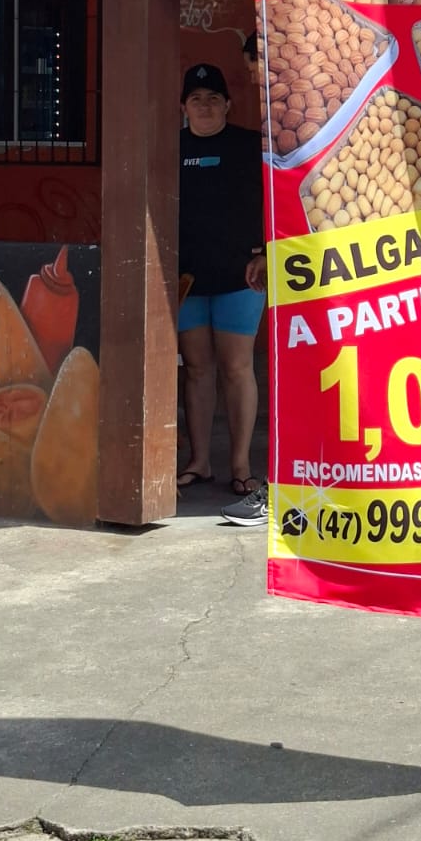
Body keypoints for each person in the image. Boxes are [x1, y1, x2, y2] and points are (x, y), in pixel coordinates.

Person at [177, 60, 267, 526]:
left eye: (213, 98)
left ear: (228, 105)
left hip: (241, 278)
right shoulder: (170, 149)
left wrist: (266, 252)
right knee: (196, 370)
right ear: (183, 107)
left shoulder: (251, 146)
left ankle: (240, 467)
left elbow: (275, 201)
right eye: (196, 99)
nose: (205, 106)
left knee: (236, 369)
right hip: (187, 281)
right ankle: (199, 462)